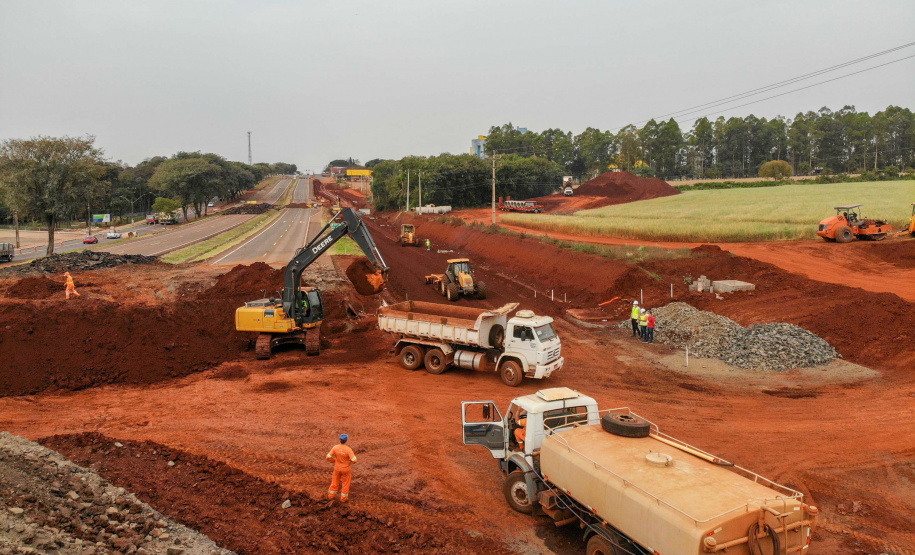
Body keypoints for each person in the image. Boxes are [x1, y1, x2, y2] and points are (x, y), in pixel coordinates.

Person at [326, 434, 358, 503]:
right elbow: (354, 460)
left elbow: (328, 457)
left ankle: (331, 495)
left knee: (334, 481)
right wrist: (349, 461)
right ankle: (343, 499)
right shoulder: (348, 449)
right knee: (345, 483)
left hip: (337, 468)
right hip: (345, 469)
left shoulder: (335, 447)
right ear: (346, 440)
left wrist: (334, 461)